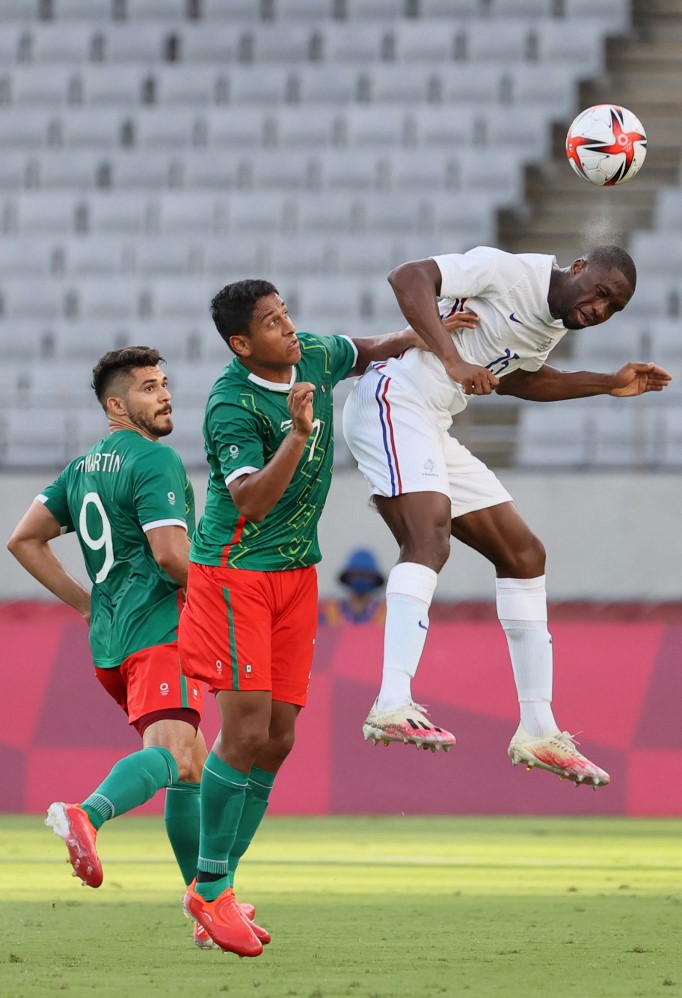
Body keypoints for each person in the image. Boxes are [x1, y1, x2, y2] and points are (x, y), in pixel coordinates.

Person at [178, 279, 476, 957]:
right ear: (241, 344)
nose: (289, 328)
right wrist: (300, 434)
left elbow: (364, 350)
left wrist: (426, 334)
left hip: (295, 575)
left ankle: (218, 889)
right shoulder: (231, 405)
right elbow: (250, 501)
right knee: (246, 728)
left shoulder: (310, 353)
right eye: (271, 323)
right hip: (236, 573)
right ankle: (209, 889)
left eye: (286, 315)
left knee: (279, 739)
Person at [342, 243, 672, 786]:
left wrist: (609, 383)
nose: (601, 309)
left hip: (433, 420)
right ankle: (391, 702)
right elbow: (407, 276)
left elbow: (524, 378)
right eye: (602, 293)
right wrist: (451, 356)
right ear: (580, 268)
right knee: (430, 539)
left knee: (524, 554)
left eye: (614, 308)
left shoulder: (552, 322)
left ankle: (539, 730)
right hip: (393, 398)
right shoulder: (509, 270)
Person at [6, 346, 215, 947]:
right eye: (150, 387)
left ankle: (207, 901)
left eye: (166, 383)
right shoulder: (154, 461)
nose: (166, 394)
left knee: (191, 766)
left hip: (112, 641)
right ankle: (87, 815)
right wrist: (225, 601)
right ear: (117, 405)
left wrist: (83, 602)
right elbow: (173, 557)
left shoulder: (81, 469)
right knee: (176, 754)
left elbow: (24, 540)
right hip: (160, 628)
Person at [319, 547, 386, 624]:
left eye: (366, 575)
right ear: (347, 577)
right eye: (356, 574)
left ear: (375, 579)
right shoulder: (331, 611)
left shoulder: (385, 612)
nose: (361, 578)